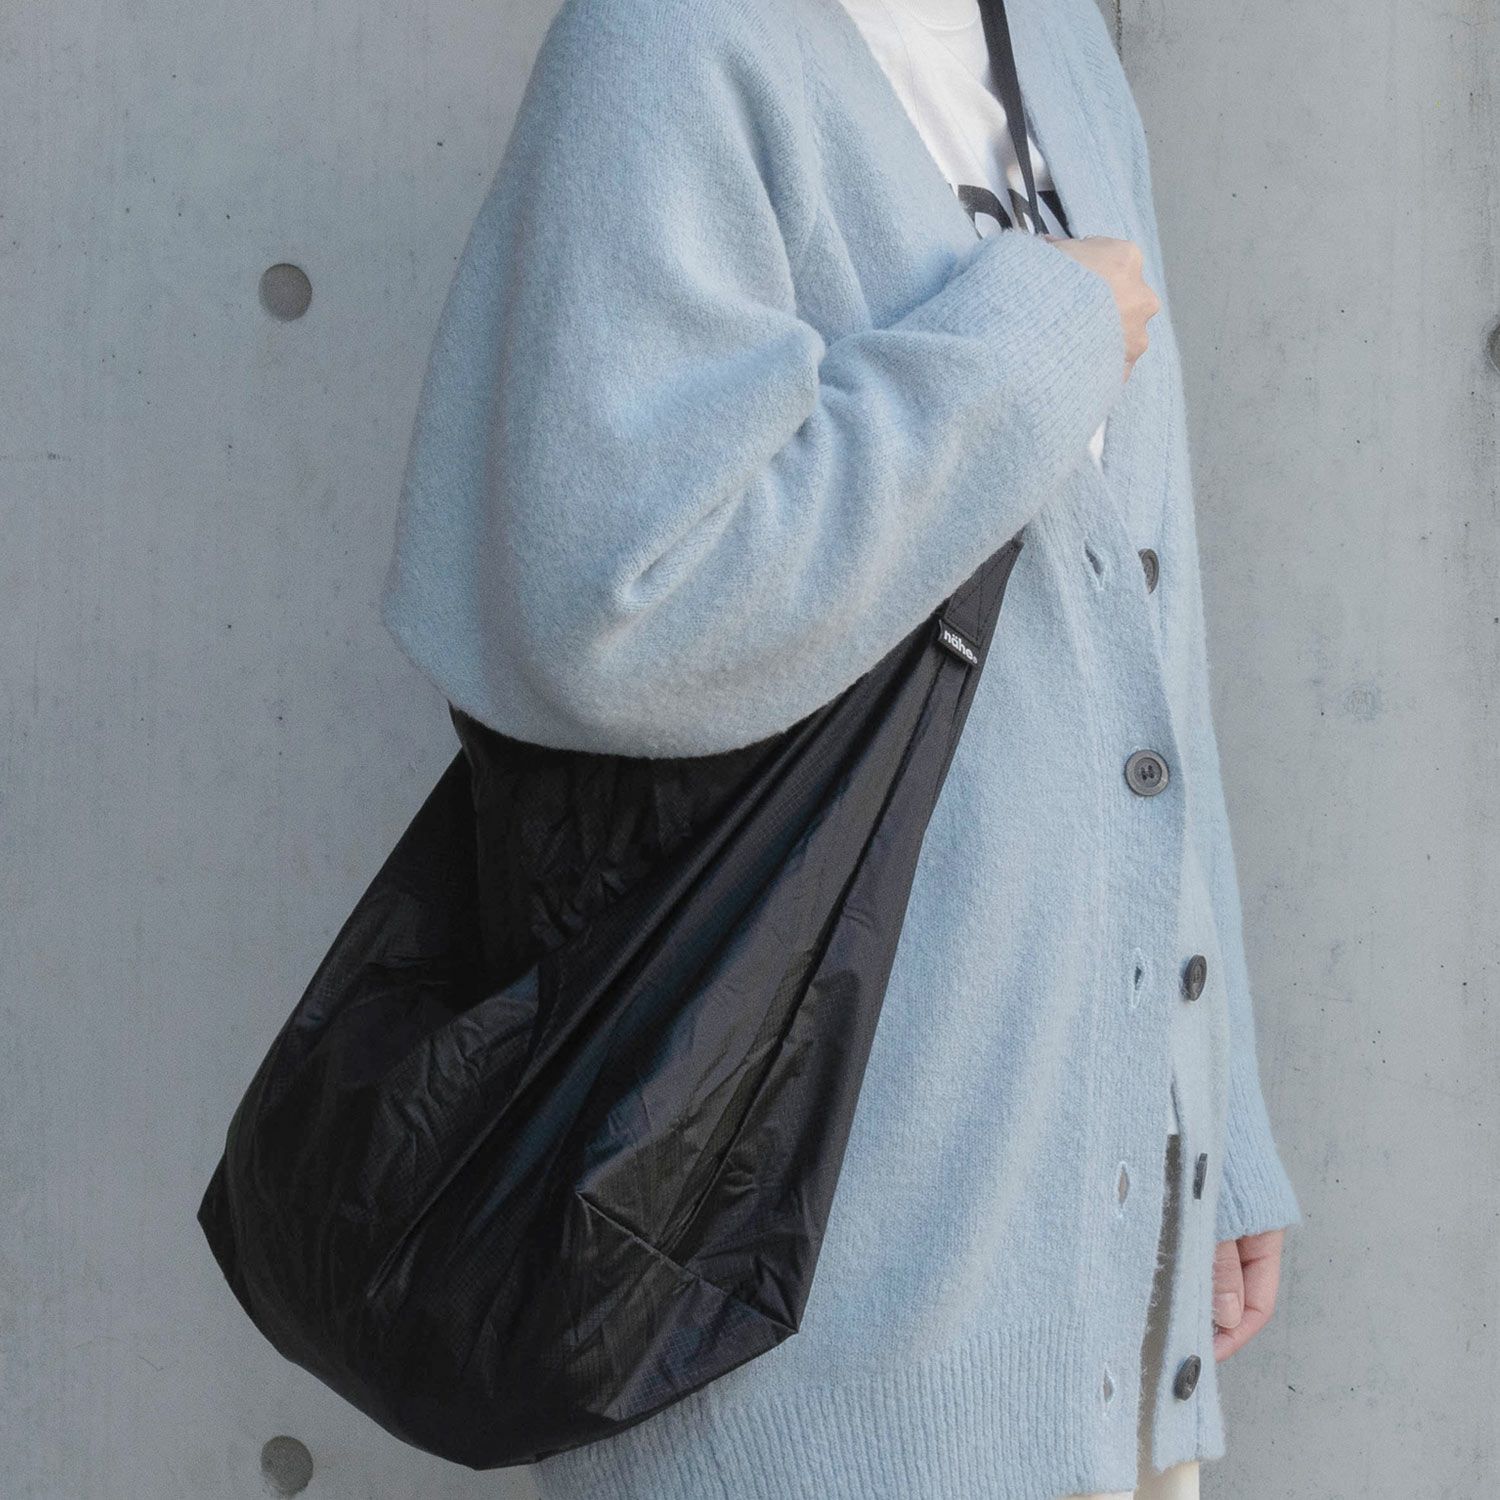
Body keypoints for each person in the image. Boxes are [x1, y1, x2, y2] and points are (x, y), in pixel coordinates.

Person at [378, 0, 1304, 1495]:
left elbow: (1150, 634)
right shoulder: (672, 44)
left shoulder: (1054, 39)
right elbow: (616, 603)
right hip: (807, 1290)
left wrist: (1213, 1106)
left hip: (1098, 1262)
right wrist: (1033, 346)